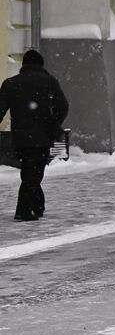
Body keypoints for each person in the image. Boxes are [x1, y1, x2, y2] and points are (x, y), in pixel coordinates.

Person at [0, 50, 69, 221]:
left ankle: (38, 205)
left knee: (29, 172)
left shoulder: (10, 83)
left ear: (23, 65)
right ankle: (23, 211)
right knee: (34, 173)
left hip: (20, 138)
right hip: (42, 136)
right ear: (41, 64)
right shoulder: (49, 82)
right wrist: (53, 122)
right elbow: (63, 106)